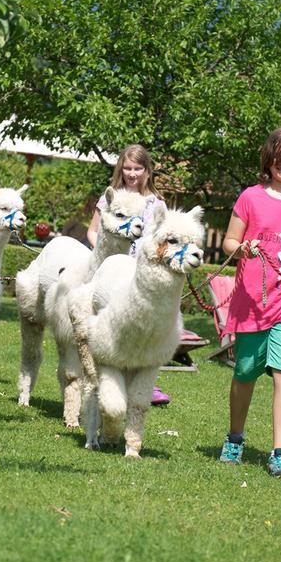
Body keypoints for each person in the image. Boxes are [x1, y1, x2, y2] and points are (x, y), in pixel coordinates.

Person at [217, 127, 281, 480]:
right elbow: (229, 241)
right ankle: (235, 438)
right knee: (245, 372)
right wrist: (242, 247)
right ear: (268, 159)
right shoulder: (250, 197)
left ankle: (280, 453)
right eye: (277, 155)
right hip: (251, 300)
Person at [87, 144, 172, 407]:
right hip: (111, 272)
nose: (132, 173)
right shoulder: (109, 198)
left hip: (141, 275)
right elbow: (92, 231)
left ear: (147, 171)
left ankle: (143, 381)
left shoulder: (156, 205)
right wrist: (106, 252)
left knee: (142, 328)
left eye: (138, 168)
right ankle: (103, 376)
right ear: (120, 169)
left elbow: (162, 239)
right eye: (127, 168)